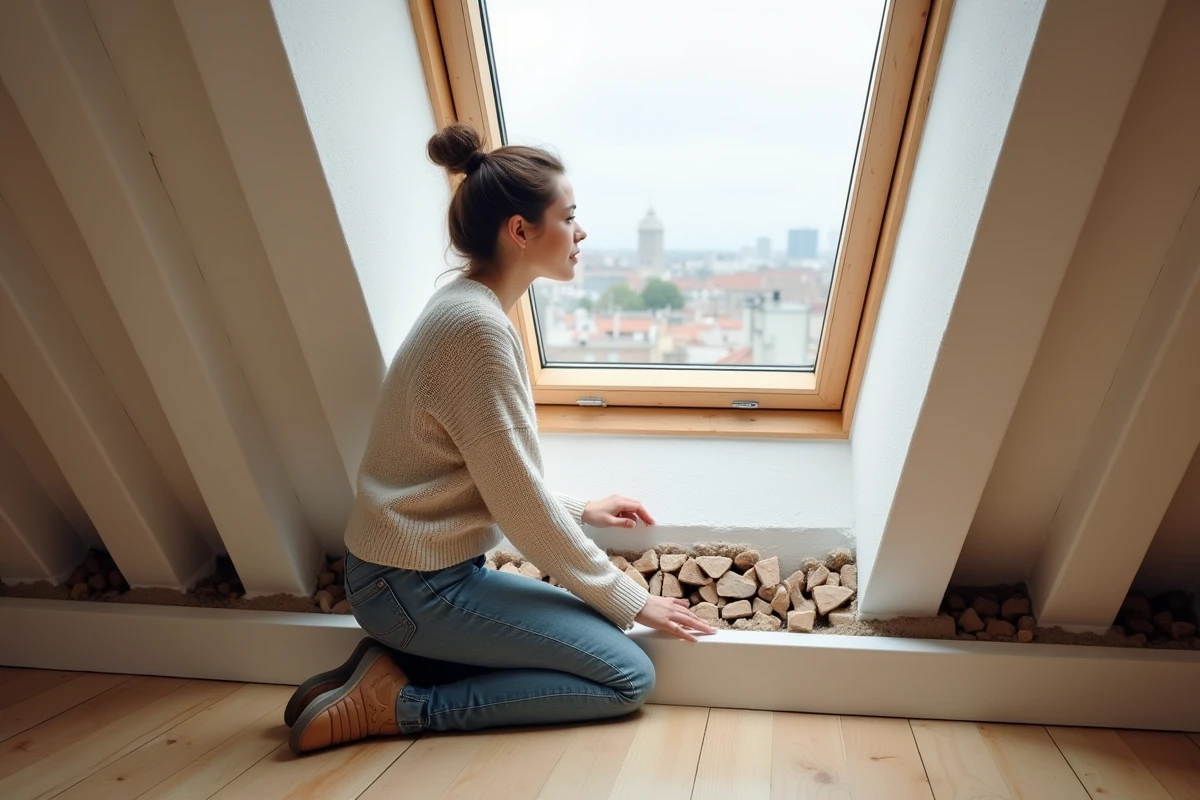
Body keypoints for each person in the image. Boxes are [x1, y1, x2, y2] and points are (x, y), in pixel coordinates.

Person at [286, 123, 715, 755]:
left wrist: (582, 511)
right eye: (569, 218)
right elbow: (517, 502)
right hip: (413, 586)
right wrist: (633, 600)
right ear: (521, 231)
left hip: (415, 577)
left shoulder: (467, 305)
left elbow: (489, 472)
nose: (582, 232)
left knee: (590, 650)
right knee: (627, 677)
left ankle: (395, 663)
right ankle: (401, 705)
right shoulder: (476, 332)